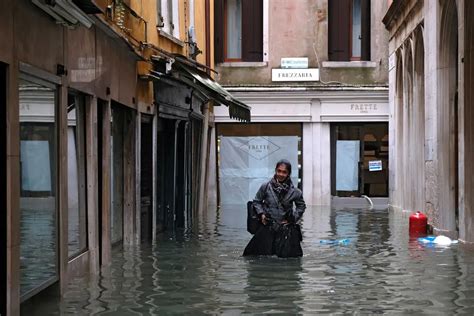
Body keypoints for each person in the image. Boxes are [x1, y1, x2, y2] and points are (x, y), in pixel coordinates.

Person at [243, 159, 306, 257]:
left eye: (284, 172)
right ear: (276, 171)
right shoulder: (266, 187)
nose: (281, 174)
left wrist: (293, 218)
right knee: (253, 256)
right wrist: (262, 214)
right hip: (268, 226)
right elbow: (256, 201)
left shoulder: (296, 192)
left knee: (291, 258)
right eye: (279, 171)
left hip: (285, 228)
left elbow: (301, 206)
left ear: (289, 173)